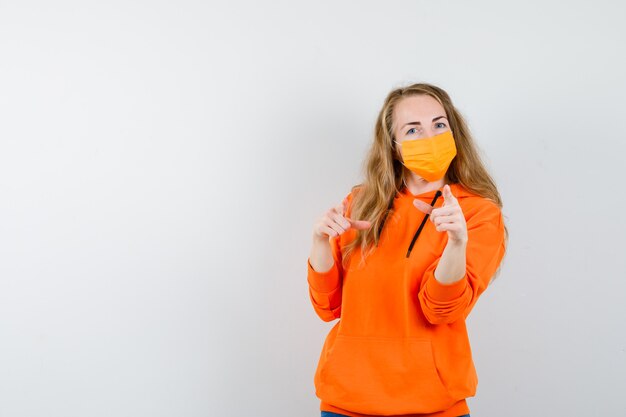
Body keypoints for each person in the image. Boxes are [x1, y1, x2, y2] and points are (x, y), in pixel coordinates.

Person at [307, 82, 509, 417]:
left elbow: (441, 310)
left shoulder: (478, 213)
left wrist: (456, 243)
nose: (429, 137)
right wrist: (319, 243)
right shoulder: (361, 203)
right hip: (346, 402)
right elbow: (328, 307)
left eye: (439, 125)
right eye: (412, 129)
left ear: (454, 131)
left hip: (432, 406)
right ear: (394, 145)